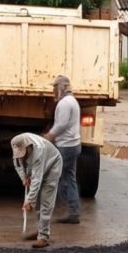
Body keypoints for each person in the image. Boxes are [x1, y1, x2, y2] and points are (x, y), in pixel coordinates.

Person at [11, 132, 63, 249]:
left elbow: (37, 180)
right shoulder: (15, 142)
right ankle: (40, 230)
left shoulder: (38, 151)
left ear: (28, 146)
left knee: (45, 202)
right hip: (38, 166)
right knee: (38, 203)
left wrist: (29, 201)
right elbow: (17, 162)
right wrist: (23, 177)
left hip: (52, 165)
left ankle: (43, 237)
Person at [44, 74, 81, 224]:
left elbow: (62, 124)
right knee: (69, 177)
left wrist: (50, 135)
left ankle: (70, 210)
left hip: (66, 146)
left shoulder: (64, 103)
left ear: (60, 88)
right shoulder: (72, 101)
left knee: (62, 178)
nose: (53, 91)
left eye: (54, 88)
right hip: (73, 145)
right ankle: (72, 211)